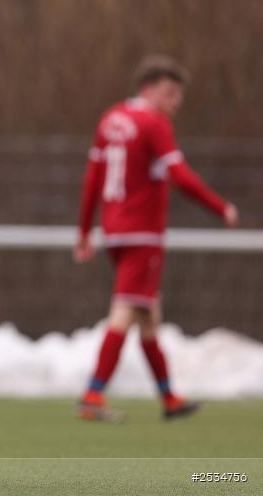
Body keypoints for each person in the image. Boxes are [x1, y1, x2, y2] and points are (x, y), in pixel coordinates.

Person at [74, 54, 239, 422]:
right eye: (169, 93)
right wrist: (220, 207)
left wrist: (85, 230)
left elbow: (93, 178)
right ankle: (92, 395)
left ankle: (169, 398)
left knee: (148, 315)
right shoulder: (153, 123)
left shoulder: (111, 118)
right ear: (147, 89)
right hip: (143, 234)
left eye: (178, 95)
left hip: (115, 230)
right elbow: (180, 176)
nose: (175, 102)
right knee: (124, 312)